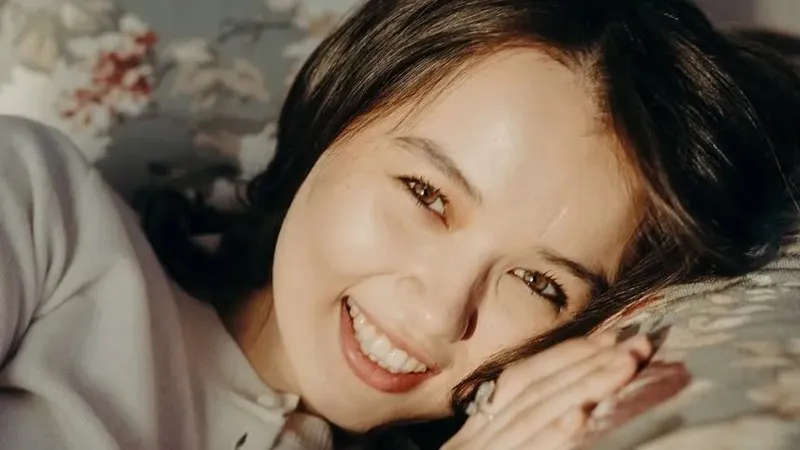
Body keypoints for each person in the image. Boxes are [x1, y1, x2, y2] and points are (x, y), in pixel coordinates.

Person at [1, 0, 800, 449]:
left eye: (537, 281)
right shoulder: (43, 211)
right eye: (427, 194)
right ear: (339, 108)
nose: (439, 313)